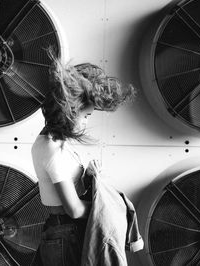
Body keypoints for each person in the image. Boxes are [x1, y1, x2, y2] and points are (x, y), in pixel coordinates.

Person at [31, 54, 136, 266]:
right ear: (70, 111)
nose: (86, 123)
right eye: (86, 116)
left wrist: (88, 176)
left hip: (66, 232)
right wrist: (111, 208)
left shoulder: (57, 144)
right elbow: (74, 209)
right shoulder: (52, 148)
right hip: (65, 233)